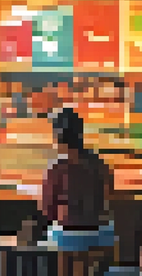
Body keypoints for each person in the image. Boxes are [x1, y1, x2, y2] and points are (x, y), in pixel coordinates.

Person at [40, 107, 115, 274]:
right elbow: (108, 200)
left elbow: (47, 209)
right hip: (100, 235)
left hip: (67, 235)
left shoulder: (57, 167)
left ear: (58, 137)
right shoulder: (99, 164)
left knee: (53, 238)